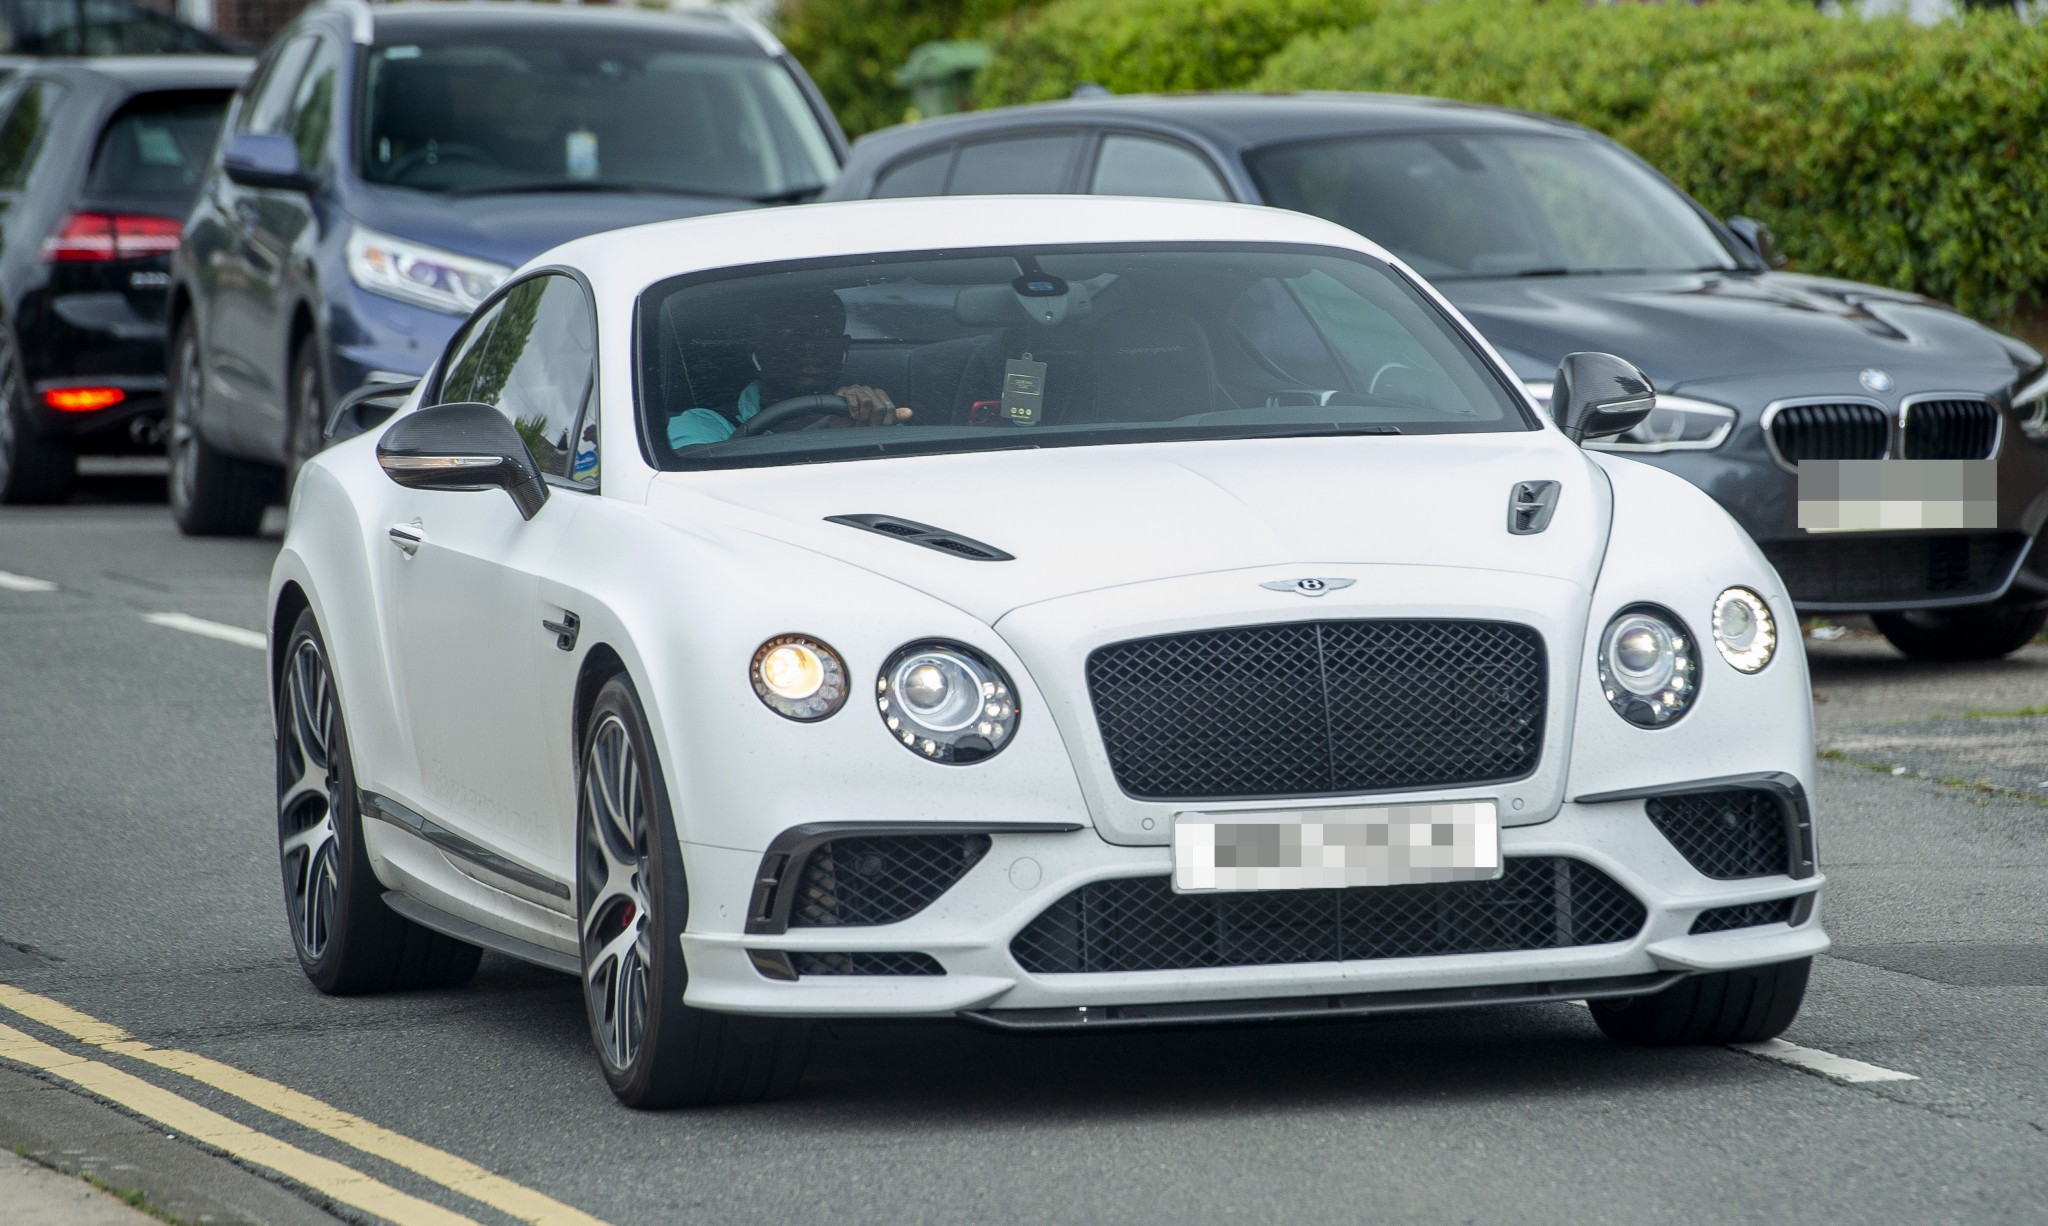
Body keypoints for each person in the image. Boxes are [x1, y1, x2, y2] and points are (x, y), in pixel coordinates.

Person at [667, 287, 910, 450]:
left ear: (843, 348)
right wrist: (821, 434)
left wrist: (867, 420)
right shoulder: (702, 426)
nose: (808, 345)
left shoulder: (866, 415)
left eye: (823, 332)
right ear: (756, 350)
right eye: (788, 333)